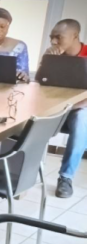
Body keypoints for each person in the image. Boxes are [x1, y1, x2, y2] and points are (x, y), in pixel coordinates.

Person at [43, 19, 87, 198]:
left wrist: (73, 105)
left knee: (81, 121)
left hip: (80, 107)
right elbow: (42, 83)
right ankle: (22, 171)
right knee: (31, 120)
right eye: (51, 37)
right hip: (54, 106)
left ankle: (66, 178)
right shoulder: (53, 54)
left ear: (75, 36)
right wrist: (48, 60)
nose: (53, 42)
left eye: (58, 37)